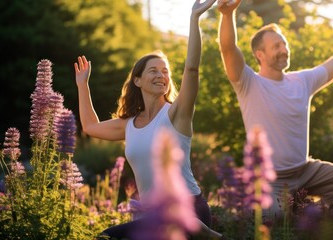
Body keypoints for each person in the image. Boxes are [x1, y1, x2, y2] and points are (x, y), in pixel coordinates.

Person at [216, 0, 333, 220]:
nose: (284, 50)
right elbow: (228, 49)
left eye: (284, 44)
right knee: (272, 218)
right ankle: (295, 212)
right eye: (276, 46)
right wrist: (227, 16)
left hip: (307, 171)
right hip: (272, 181)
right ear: (260, 55)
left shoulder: (302, 81)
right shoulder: (249, 84)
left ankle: (309, 214)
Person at [74, 0, 222, 239]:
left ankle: (204, 232)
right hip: (154, 215)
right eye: (153, 70)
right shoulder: (129, 125)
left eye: (165, 71)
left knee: (108, 236)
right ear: (138, 80)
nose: (161, 75)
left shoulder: (176, 114)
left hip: (188, 208)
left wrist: (194, 18)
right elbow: (90, 127)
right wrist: (83, 86)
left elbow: (192, 69)